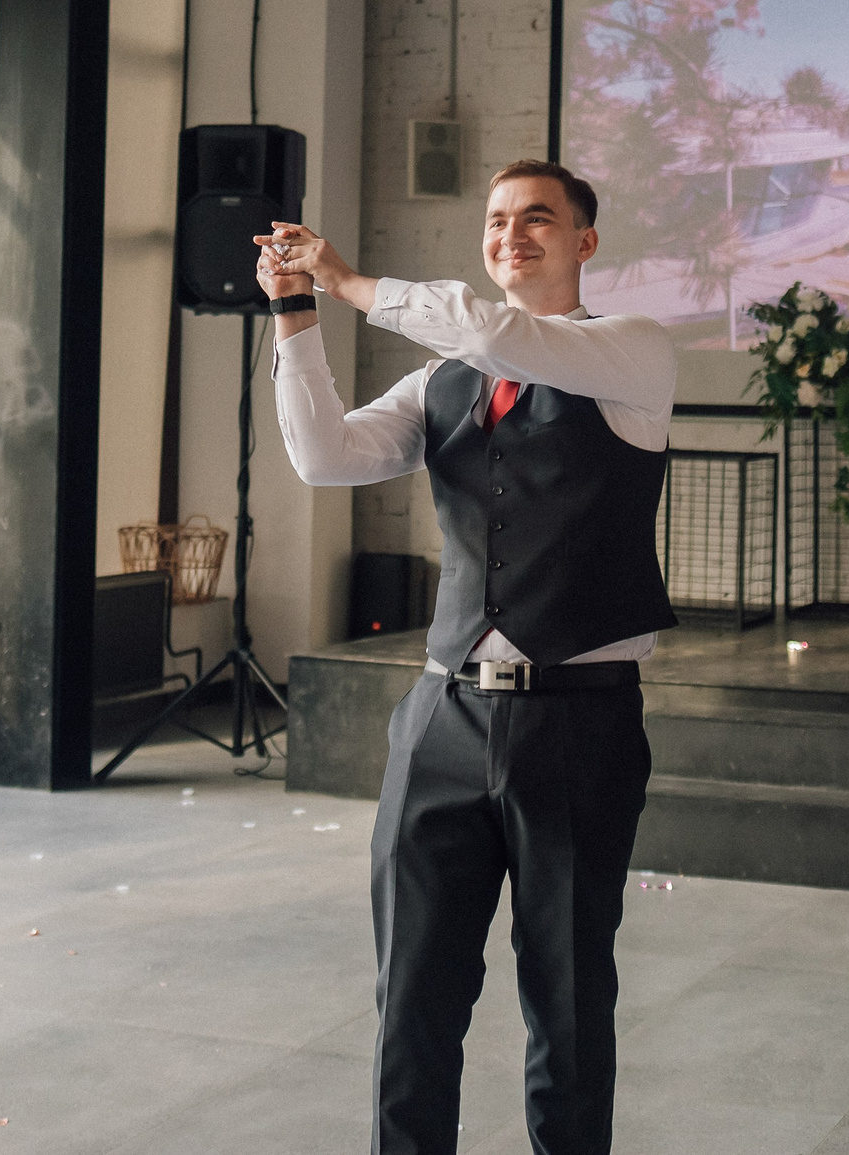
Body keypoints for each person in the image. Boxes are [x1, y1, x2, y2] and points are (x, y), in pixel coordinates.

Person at [254, 158, 677, 1155]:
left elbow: (501, 335)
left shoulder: (632, 353)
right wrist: (297, 320)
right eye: (495, 220)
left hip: (578, 719)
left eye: (538, 217)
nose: (510, 235)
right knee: (412, 995)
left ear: (585, 241)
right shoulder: (441, 379)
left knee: (567, 1001)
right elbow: (324, 457)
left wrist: (353, 282)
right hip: (441, 720)